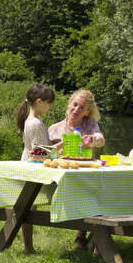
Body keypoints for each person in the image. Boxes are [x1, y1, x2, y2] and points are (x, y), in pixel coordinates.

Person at [48, 89, 105, 251]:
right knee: (81, 194)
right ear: (69, 103)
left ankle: (89, 236)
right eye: (75, 105)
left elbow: (101, 140)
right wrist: (57, 150)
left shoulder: (90, 125)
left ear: (88, 111)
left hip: (86, 172)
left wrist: (90, 139)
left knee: (96, 193)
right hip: (63, 176)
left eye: (82, 108)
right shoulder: (55, 128)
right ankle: (85, 235)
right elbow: (45, 151)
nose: (77, 110)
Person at [15, 83, 60, 253]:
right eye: (49, 103)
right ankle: (28, 247)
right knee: (29, 205)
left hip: (33, 165)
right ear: (39, 102)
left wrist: (52, 144)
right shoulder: (34, 123)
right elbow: (37, 152)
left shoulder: (36, 120)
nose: (50, 107)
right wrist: (60, 146)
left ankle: (29, 246)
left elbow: (41, 145)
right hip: (33, 168)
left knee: (30, 205)